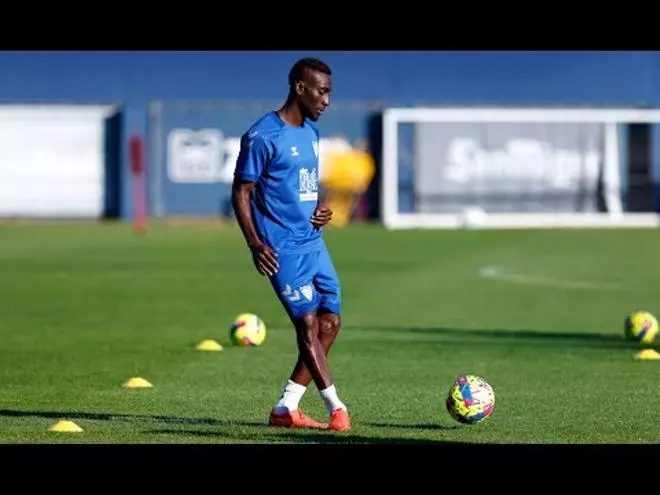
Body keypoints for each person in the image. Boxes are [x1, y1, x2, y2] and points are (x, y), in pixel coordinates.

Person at [231, 57, 351, 432]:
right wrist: (255, 244)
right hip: (282, 251)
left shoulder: (312, 135)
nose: (327, 100)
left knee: (331, 321)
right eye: (322, 91)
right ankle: (337, 408)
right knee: (308, 324)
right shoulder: (262, 136)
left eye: (329, 92)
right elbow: (241, 191)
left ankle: (286, 408)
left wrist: (320, 209)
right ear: (300, 88)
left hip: (314, 244)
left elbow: (303, 187)